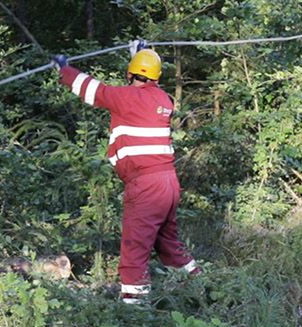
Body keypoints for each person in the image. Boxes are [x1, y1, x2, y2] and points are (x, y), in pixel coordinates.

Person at [52, 43, 199, 304]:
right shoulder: (163, 99)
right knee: (167, 241)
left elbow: (90, 89)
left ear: (129, 74)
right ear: (156, 77)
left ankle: (134, 311)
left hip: (145, 185)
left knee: (135, 246)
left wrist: (64, 69)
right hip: (168, 182)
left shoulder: (124, 97)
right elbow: (143, 86)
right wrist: (139, 56)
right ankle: (200, 285)